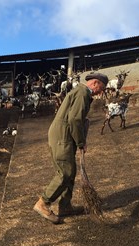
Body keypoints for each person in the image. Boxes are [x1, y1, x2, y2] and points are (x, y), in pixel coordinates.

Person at [33, 72, 108, 224]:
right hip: (63, 136)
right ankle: (43, 203)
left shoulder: (80, 92)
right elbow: (75, 119)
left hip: (63, 135)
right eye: (102, 88)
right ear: (95, 83)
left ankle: (65, 206)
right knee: (65, 172)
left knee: (70, 171)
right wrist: (81, 142)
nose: (102, 92)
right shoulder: (82, 93)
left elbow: (76, 118)